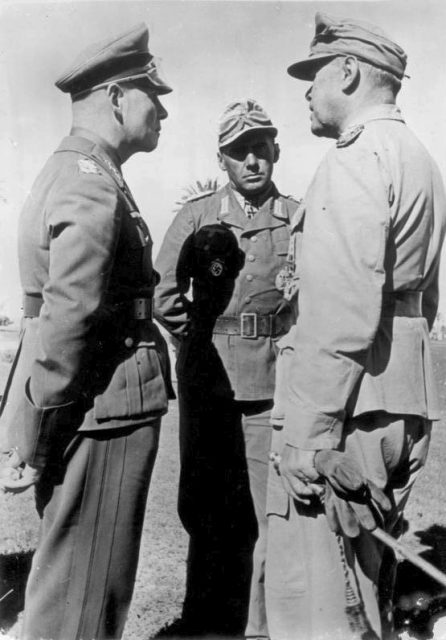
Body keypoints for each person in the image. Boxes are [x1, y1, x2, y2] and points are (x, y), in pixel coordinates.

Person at [264, 12, 446, 640]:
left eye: (314, 76)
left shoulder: (356, 158)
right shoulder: (416, 155)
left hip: (346, 404)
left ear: (347, 71)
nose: (307, 92)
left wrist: (308, 437)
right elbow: (423, 298)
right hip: (400, 394)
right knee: (368, 579)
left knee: (317, 598)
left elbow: (341, 313)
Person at [0, 22, 174, 640]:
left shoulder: (75, 171)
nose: (163, 113)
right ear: (119, 97)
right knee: (85, 595)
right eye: (155, 98)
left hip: (91, 404)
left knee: (73, 579)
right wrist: (41, 427)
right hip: (105, 406)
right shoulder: (90, 183)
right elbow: (69, 316)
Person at [154, 99, 301, 638]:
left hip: (271, 381)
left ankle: (259, 624)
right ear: (223, 159)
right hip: (210, 381)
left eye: (261, 148)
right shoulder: (196, 216)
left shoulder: (298, 216)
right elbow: (163, 294)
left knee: (268, 510)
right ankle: (207, 620)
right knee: (208, 505)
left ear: (276, 151)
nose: (253, 161)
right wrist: (199, 340)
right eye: (240, 151)